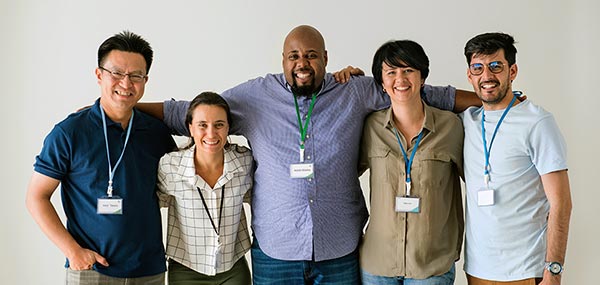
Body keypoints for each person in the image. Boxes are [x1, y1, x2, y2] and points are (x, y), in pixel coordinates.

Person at [138, 25, 477, 284]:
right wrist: (123, 109)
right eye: (294, 56)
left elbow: (425, 92)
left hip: (339, 248)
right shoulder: (255, 97)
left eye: (312, 55)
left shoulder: (353, 91)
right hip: (276, 250)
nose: (303, 63)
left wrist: (491, 101)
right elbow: (187, 112)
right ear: (283, 60)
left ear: (326, 58)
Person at [25, 31, 176, 284]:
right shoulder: (69, 132)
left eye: (135, 76)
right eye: (116, 73)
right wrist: (72, 251)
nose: (126, 83)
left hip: (150, 270)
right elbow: (36, 197)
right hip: (92, 268)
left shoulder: (156, 133)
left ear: (145, 80)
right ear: (99, 75)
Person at [460, 32, 572, 285]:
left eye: (495, 66)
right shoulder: (468, 120)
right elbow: (422, 95)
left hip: (524, 268)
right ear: (469, 75)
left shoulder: (537, 122)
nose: (486, 76)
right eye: (477, 68)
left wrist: (554, 271)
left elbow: (561, 204)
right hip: (477, 269)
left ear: (513, 71)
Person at [358, 40, 463, 284]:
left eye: (408, 70)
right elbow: (343, 174)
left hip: (431, 265)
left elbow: (479, 180)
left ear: (422, 77)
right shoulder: (369, 127)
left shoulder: (451, 126)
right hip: (377, 265)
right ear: (382, 83)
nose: (400, 79)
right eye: (391, 72)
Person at [157, 92, 253, 284]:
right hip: (186, 268)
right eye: (203, 125)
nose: (211, 133)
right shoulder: (170, 167)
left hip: (233, 267)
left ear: (228, 128)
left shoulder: (245, 162)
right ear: (190, 128)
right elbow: (150, 206)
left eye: (219, 125)